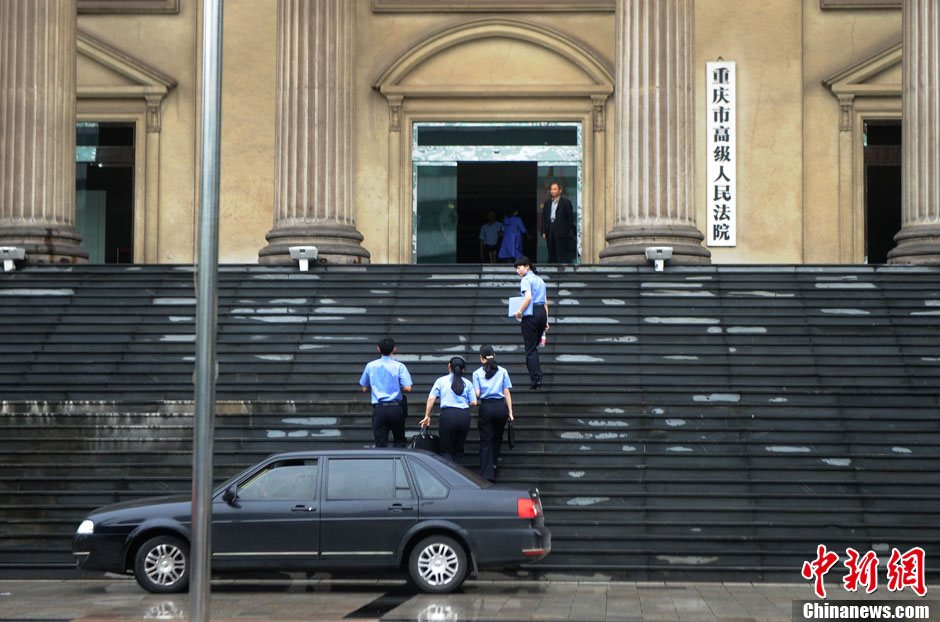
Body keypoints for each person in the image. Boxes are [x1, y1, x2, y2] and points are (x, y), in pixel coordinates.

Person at [421, 356, 477, 464]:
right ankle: (458, 476)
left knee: (446, 450)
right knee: (459, 449)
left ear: (449, 366)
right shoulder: (468, 383)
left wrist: (427, 416)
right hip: (464, 416)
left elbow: (431, 398)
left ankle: (447, 477)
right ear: (463, 369)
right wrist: (465, 406)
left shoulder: (441, 381)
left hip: (448, 416)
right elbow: (474, 402)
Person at [359, 336, 413, 447]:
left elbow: (364, 388)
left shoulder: (370, 366)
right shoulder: (399, 366)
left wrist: (375, 388)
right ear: (394, 349)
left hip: (379, 409)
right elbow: (408, 388)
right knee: (399, 440)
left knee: (380, 442)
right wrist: (397, 388)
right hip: (395, 408)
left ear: (379, 349)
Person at [472, 344, 513, 481]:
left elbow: (477, 394)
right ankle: (494, 463)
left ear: (481, 358)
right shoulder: (503, 371)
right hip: (501, 407)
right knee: (498, 437)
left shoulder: (477, 373)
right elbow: (507, 393)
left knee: (486, 440)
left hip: (486, 407)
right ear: (494, 356)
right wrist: (510, 412)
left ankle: (486, 472)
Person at [513, 256, 548, 389]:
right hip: (541, 313)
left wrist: (519, 312)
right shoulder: (540, 280)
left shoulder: (526, 280)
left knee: (530, 348)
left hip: (531, 314)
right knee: (533, 347)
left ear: (527, 266)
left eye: (519, 267)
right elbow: (545, 301)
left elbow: (528, 298)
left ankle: (536, 377)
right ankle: (535, 375)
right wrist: (546, 320)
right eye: (516, 268)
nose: (518, 271)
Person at [541, 182, 575, 263]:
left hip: (561, 228)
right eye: (551, 189)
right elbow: (544, 218)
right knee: (550, 247)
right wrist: (543, 231)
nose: (552, 191)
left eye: (555, 189)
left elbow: (570, 218)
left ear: (560, 191)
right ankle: (550, 265)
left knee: (560, 248)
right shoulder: (547, 203)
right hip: (550, 227)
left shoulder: (566, 202)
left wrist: (566, 229)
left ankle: (561, 266)